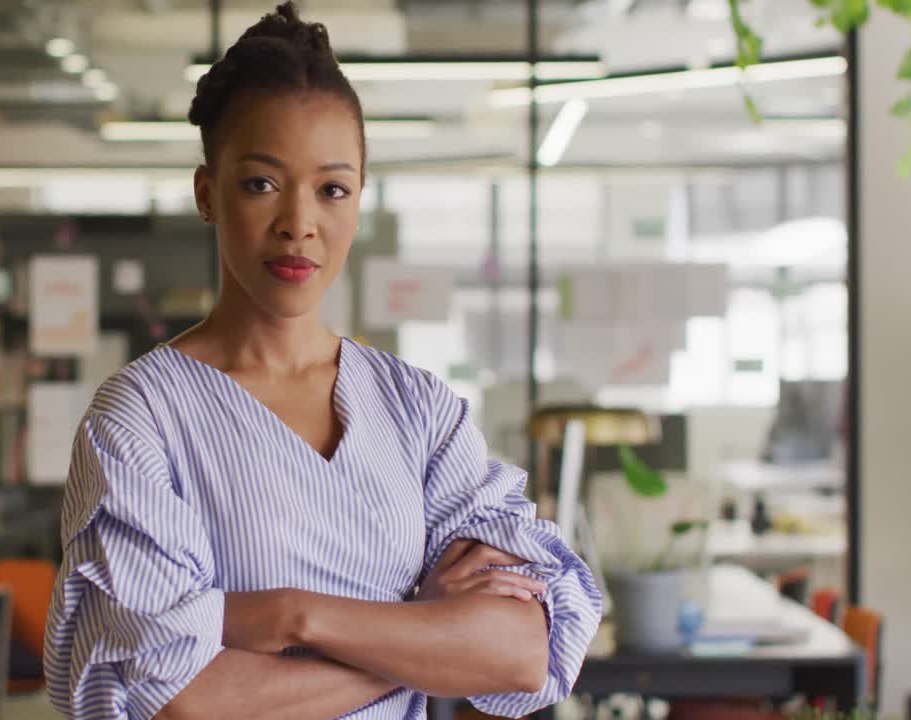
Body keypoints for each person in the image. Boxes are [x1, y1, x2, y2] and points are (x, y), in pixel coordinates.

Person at [44, 4, 602, 719]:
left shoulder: (418, 412)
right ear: (207, 193)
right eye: (261, 184)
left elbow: (522, 651)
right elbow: (181, 702)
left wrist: (288, 616)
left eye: (332, 189)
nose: (299, 223)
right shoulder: (142, 420)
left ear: (359, 202)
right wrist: (421, 644)